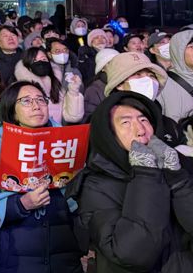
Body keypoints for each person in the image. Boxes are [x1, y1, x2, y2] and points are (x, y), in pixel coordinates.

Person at [69, 91, 193, 272]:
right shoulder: (95, 185)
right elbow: (132, 253)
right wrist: (146, 174)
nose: (140, 130)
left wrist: (178, 179)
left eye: (144, 120)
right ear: (109, 133)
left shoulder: (177, 164)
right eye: (126, 122)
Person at [0, 81, 82, 272]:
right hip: (15, 253)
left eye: (41, 100)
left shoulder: (64, 140)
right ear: (12, 111)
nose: (36, 106)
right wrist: (21, 204)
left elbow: (76, 196)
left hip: (62, 248)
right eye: (26, 101)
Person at [14, 46, 84, 125]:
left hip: (56, 134)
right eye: (35, 60)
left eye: (44, 59)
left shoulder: (57, 87)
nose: (40, 63)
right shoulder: (17, 89)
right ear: (27, 66)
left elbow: (72, 117)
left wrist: (73, 90)